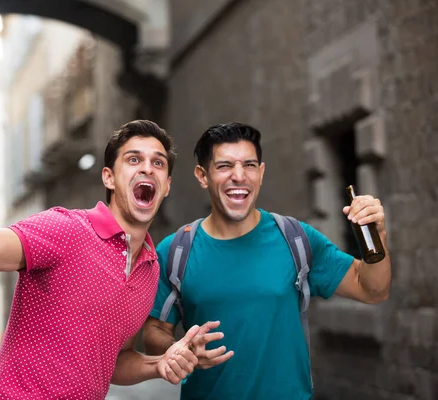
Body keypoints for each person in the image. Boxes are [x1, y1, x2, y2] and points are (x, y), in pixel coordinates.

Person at [0, 120, 227, 399]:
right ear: (108, 177)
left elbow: (115, 360)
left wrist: (164, 360)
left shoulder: (150, 271)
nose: (147, 168)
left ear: (167, 186)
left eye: (157, 163)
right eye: (134, 159)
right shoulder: (64, 229)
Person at [142, 122, 392, 399]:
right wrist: (181, 350)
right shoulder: (177, 250)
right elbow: (154, 330)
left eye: (249, 165)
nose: (239, 176)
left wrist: (376, 234)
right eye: (224, 166)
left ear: (260, 173)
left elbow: (373, 289)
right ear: (203, 176)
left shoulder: (296, 239)